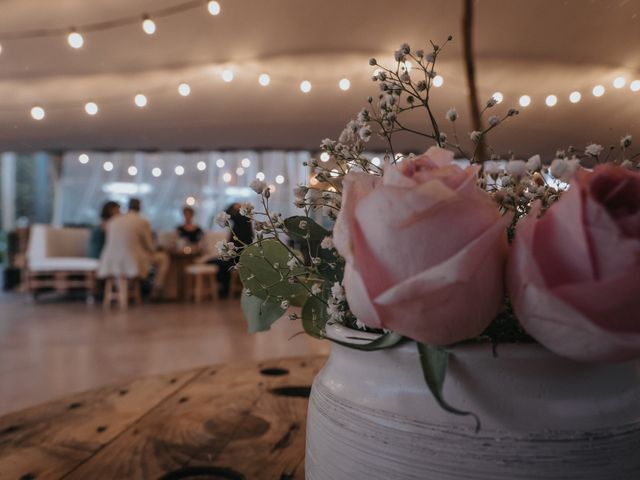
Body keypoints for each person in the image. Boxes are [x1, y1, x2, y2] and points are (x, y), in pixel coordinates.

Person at [98, 198, 169, 299]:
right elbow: (149, 246)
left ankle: (128, 289)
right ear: (140, 207)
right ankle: (156, 290)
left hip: (110, 260)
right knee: (163, 258)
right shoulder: (142, 221)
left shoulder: (114, 220)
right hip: (131, 260)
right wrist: (158, 248)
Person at [210, 202, 254, 298]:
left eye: (238, 209)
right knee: (219, 262)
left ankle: (224, 290)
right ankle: (224, 289)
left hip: (238, 258)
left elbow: (226, 214)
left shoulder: (242, 220)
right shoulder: (243, 222)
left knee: (218, 263)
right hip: (237, 256)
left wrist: (234, 207)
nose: (236, 210)